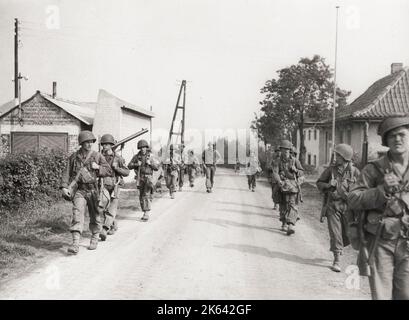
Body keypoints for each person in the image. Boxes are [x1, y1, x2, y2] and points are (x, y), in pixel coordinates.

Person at [348, 115, 409, 300]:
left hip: (407, 241)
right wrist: (381, 191)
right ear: (386, 141)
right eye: (392, 136)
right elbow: (353, 198)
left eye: (402, 134)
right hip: (381, 241)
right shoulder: (374, 169)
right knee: (381, 295)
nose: (397, 139)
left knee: (406, 294)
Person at [61, 130, 112, 254]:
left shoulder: (97, 156)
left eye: (91, 142)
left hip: (94, 190)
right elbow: (66, 173)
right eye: (87, 142)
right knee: (77, 214)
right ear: (81, 143)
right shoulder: (74, 157)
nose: (89, 144)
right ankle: (75, 243)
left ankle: (94, 238)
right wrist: (64, 187)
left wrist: (98, 168)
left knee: (95, 215)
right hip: (80, 190)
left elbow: (108, 171)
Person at [316, 144, 359, 272]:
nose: (336, 158)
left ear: (345, 157)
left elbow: (363, 190)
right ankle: (337, 259)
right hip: (333, 206)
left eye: (338, 155)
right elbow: (319, 183)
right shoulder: (331, 170)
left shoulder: (355, 172)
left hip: (348, 209)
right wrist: (329, 185)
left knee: (347, 235)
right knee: (335, 234)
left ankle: (339, 249)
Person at [99, 134, 130, 240]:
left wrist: (117, 169)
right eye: (103, 144)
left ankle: (105, 228)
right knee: (103, 204)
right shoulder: (99, 156)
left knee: (112, 207)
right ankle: (112, 223)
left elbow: (127, 172)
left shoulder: (118, 158)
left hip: (115, 185)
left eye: (107, 144)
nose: (105, 146)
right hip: (103, 184)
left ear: (112, 145)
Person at [272, 140, 304, 235]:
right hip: (282, 185)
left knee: (292, 204)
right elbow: (275, 172)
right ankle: (284, 222)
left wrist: (297, 171)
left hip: (293, 185)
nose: (286, 151)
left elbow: (302, 172)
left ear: (290, 150)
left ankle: (290, 225)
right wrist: (279, 181)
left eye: (287, 149)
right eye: (284, 149)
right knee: (283, 204)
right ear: (280, 150)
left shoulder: (295, 160)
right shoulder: (277, 161)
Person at [128, 139, 159, 221]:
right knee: (141, 196)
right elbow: (129, 166)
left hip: (148, 178)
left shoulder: (151, 156)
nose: (142, 149)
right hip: (140, 178)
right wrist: (136, 164)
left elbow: (156, 168)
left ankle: (146, 212)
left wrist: (150, 163)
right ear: (139, 148)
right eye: (141, 147)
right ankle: (145, 210)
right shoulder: (136, 157)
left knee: (145, 194)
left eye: (144, 147)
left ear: (146, 147)